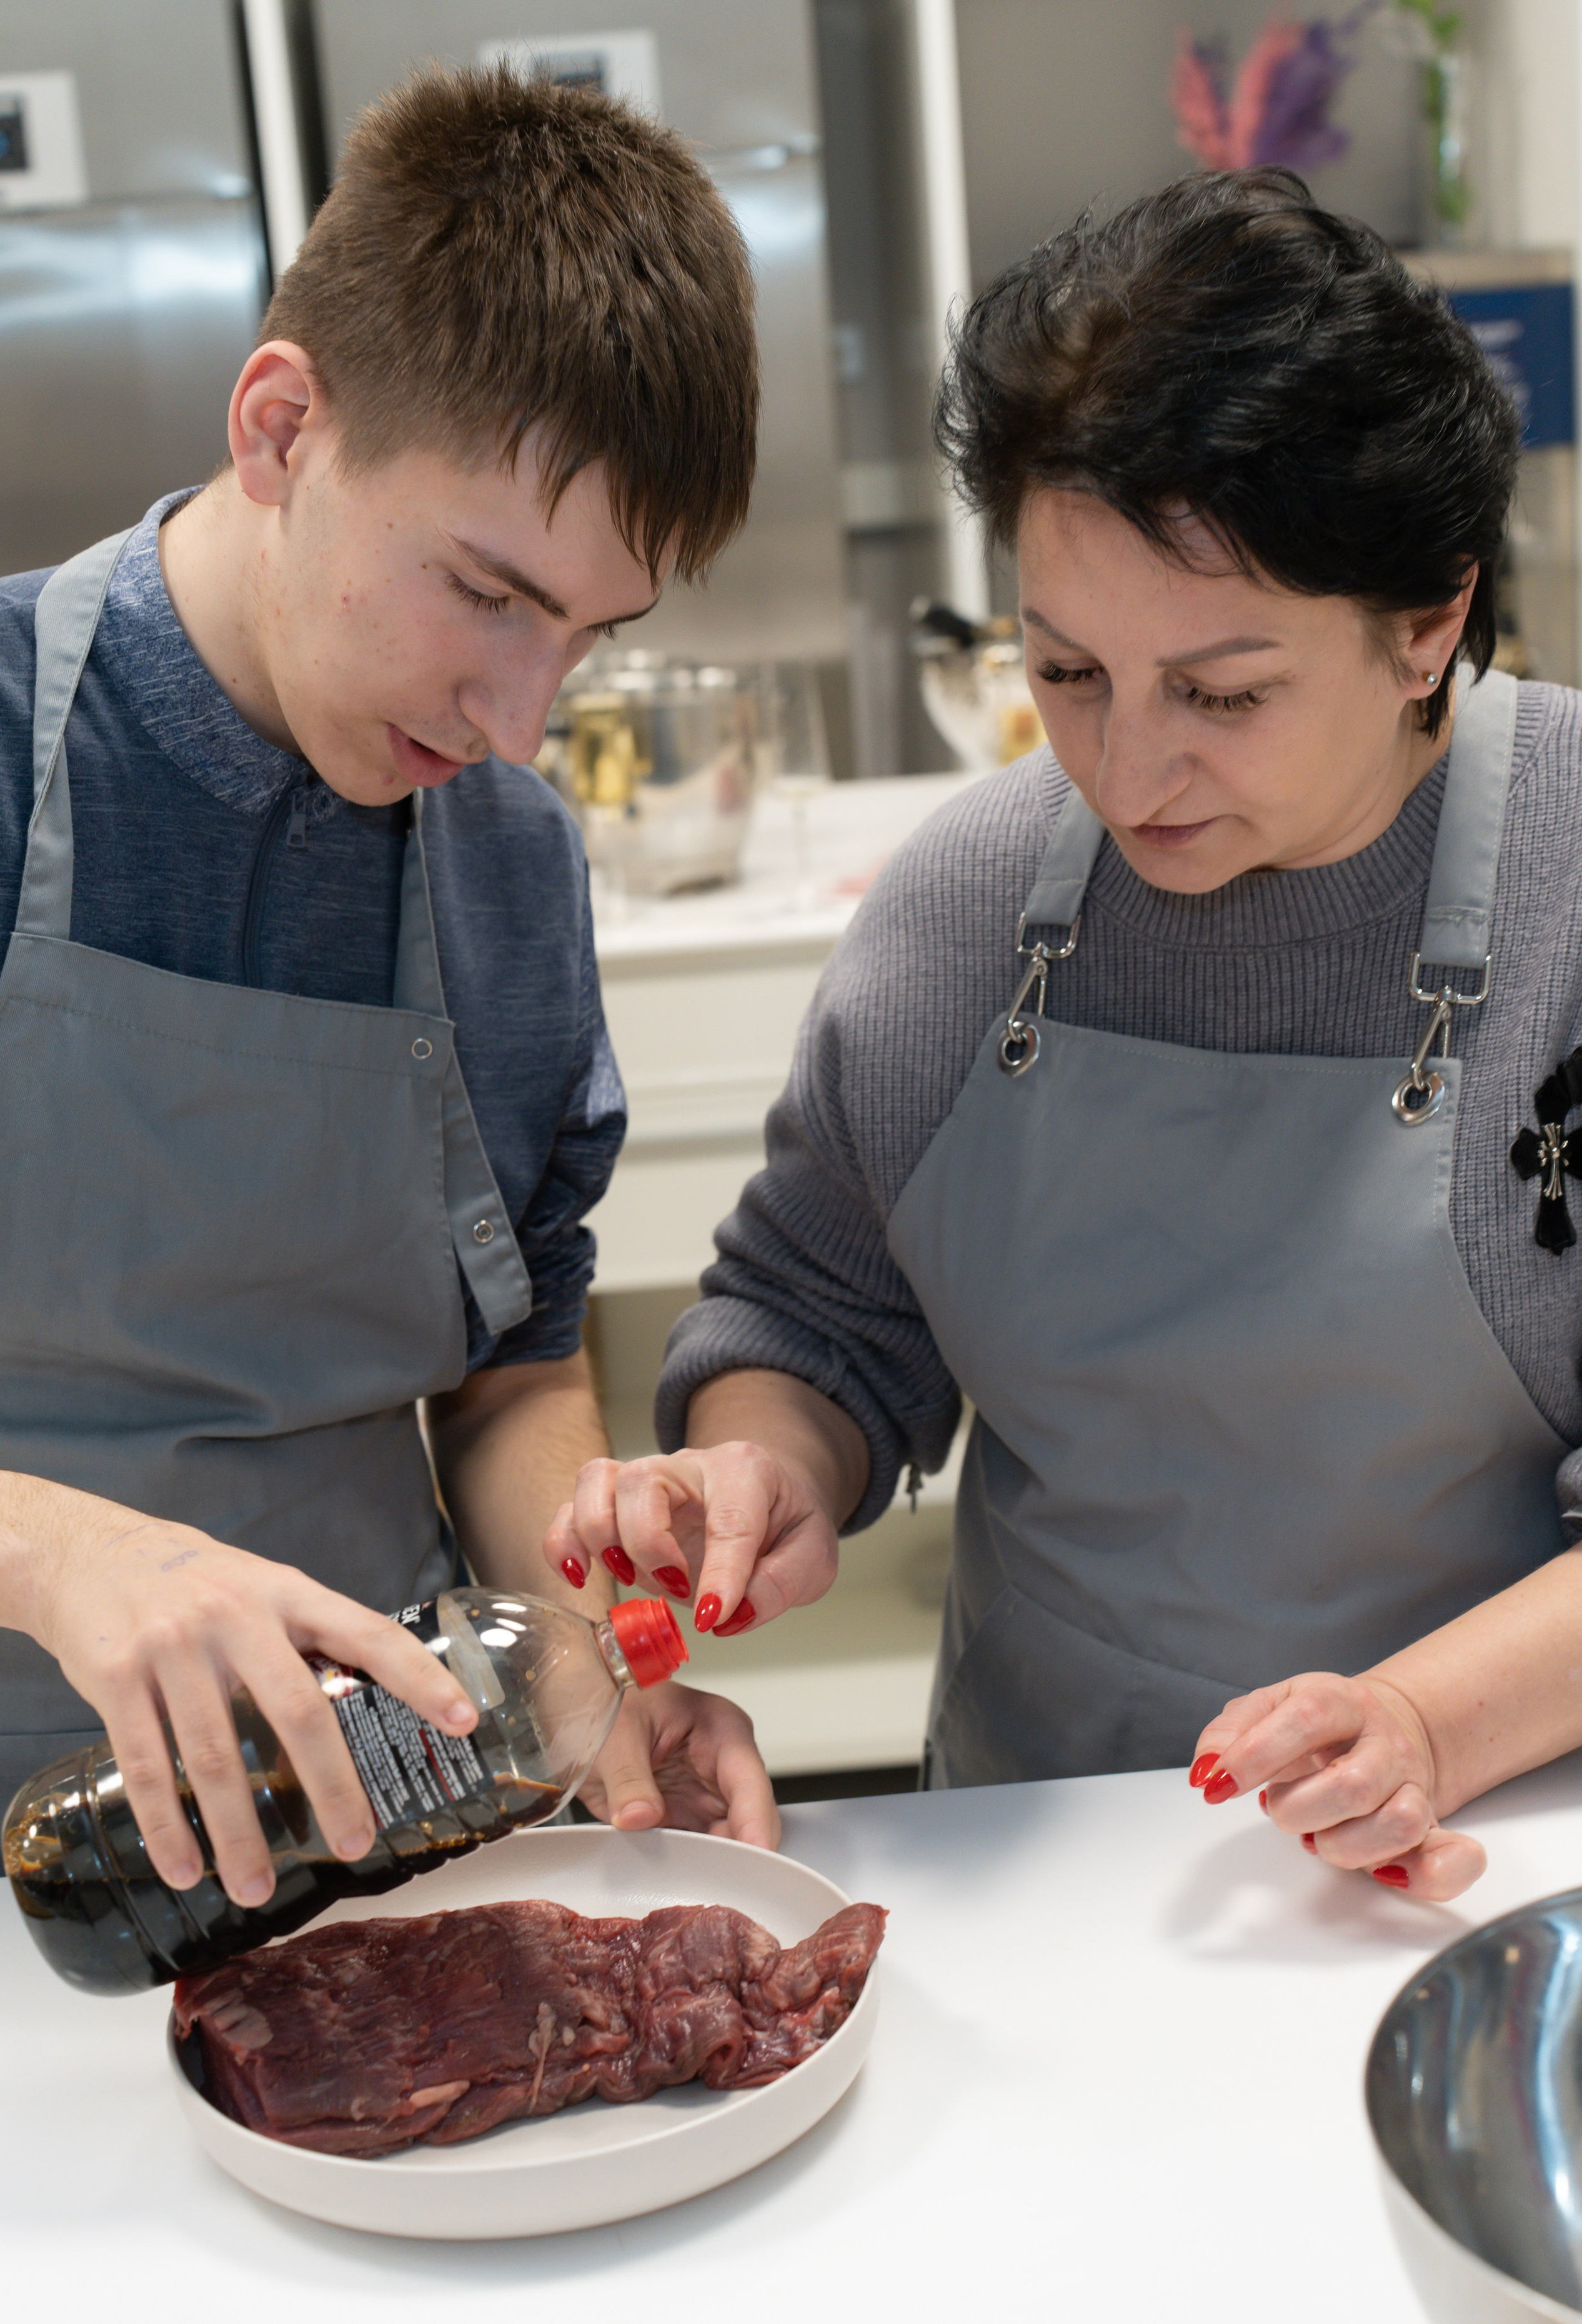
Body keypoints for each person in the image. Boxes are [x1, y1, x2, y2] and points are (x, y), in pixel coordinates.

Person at [547, 168, 1582, 1903]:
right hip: (1051, 1858)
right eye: (1068, 671)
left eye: (1225, 693)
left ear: (1429, 624)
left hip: (1488, 1851)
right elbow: (816, 1310)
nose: (1125, 772)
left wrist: (1414, 1721)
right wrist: (761, 1464)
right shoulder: (971, 904)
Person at [0, 62, 780, 1893]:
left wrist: (582, 1688)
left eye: (588, 633)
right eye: (488, 594)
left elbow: (503, 1378)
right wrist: (55, 1553)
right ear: (281, 428)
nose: (524, 719)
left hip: (374, 1845)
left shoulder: (502, 852)